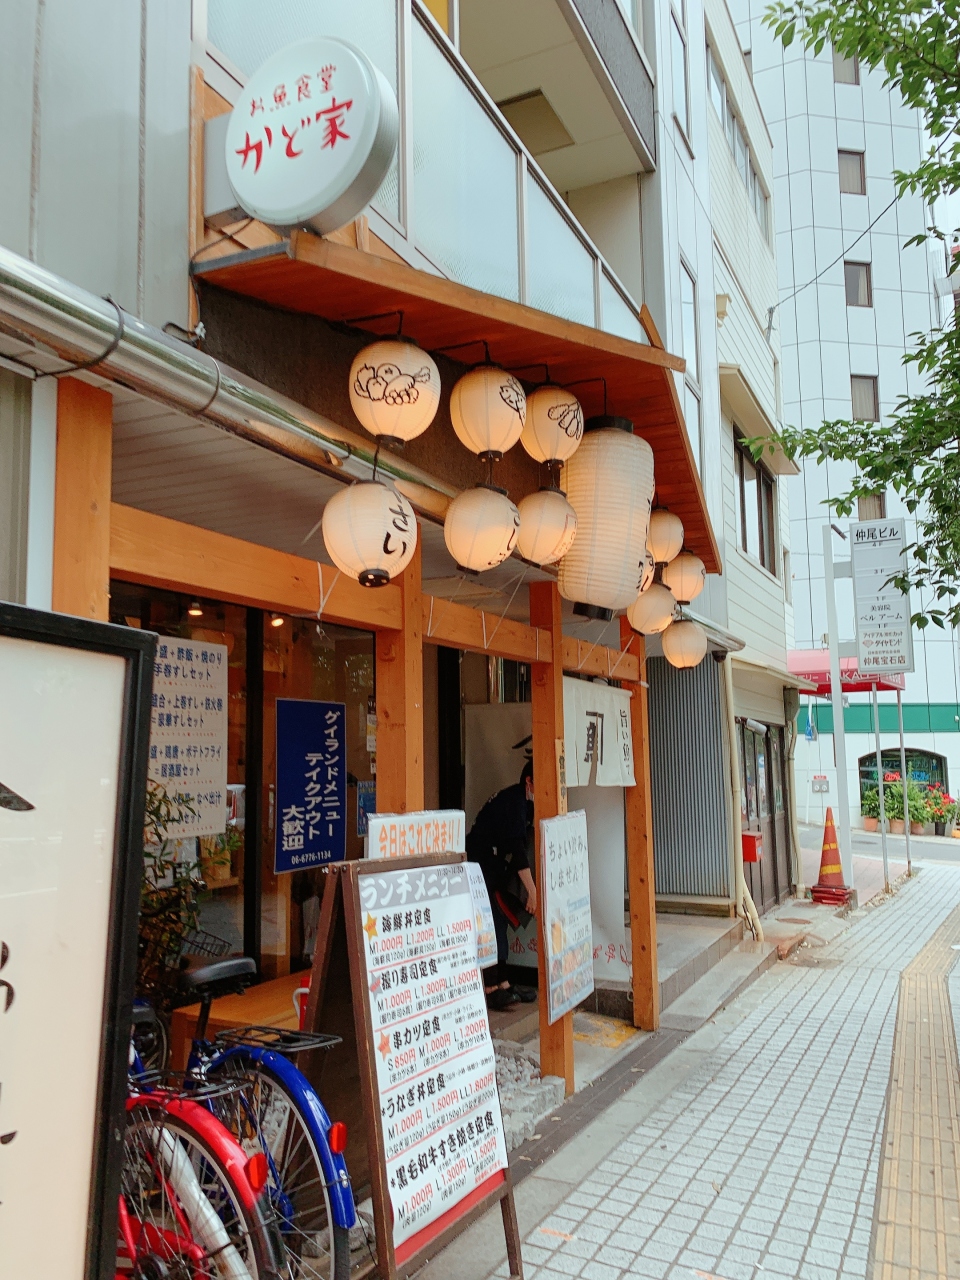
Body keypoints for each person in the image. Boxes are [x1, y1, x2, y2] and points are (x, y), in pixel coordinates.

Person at [466, 760, 538, 1010]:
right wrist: (532, 892)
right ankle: (491, 987)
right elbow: (517, 850)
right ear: (528, 781)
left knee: (499, 922)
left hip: (493, 863)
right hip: (479, 862)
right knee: (491, 922)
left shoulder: (524, 803)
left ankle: (504, 983)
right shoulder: (514, 801)